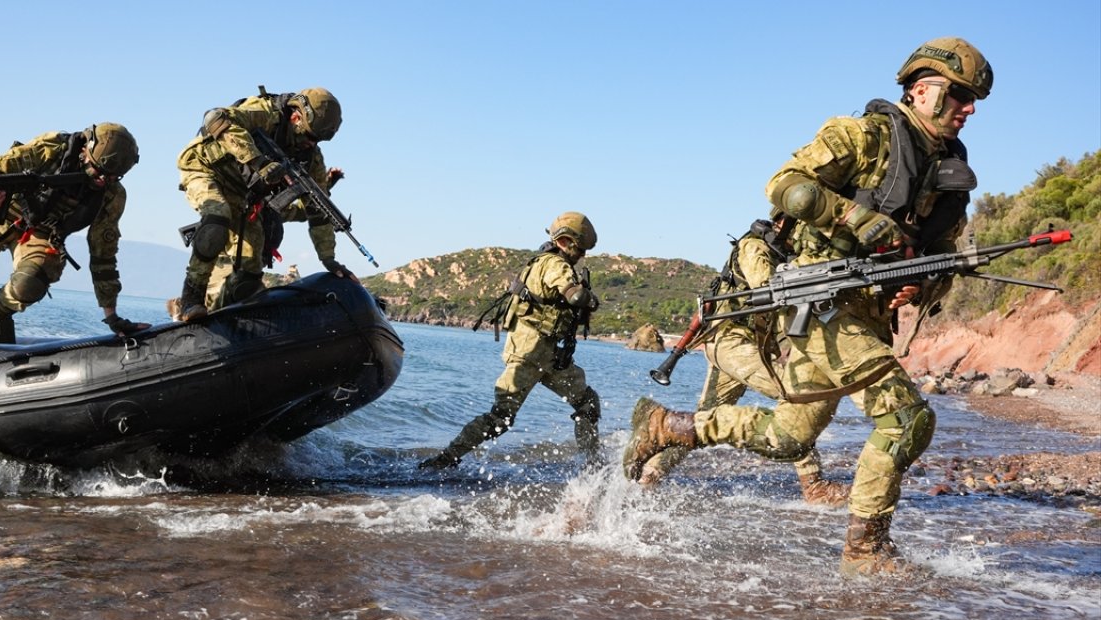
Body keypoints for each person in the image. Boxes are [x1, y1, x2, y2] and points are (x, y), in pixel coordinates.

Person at [623, 37, 990, 577]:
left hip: (865, 318)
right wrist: (858, 220)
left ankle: (666, 426)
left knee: (786, 437)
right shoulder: (861, 137)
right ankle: (864, 552)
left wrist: (921, 286)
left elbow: (939, 258)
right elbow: (786, 187)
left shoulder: (950, 177)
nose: (969, 108)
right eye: (958, 94)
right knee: (906, 418)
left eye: (974, 99)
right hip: (817, 302)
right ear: (919, 88)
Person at [636, 214, 850, 508]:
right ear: (782, 222)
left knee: (701, 421)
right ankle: (814, 486)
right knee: (799, 393)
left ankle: (648, 474)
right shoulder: (755, 248)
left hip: (742, 344)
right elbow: (770, 288)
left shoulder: (784, 253)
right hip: (731, 342)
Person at [0, 123, 149, 368]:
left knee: (34, 278)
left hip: (38, 231)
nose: (103, 180)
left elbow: (104, 253)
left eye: (112, 177)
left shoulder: (111, 195)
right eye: (98, 170)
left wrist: (111, 316)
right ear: (85, 151)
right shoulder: (51, 149)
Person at [420, 212, 602, 470]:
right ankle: (444, 460)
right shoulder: (554, 265)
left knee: (588, 403)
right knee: (501, 418)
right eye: (579, 248)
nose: (581, 255)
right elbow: (573, 296)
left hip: (548, 355)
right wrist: (588, 298)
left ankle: (593, 467)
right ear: (564, 241)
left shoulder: (544, 263)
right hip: (529, 353)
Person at [174, 87, 353, 322]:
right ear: (295, 117)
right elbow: (216, 118)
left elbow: (317, 210)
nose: (310, 144)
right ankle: (190, 299)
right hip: (206, 168)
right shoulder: (266, 112)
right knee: (218, 217)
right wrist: (259, 162)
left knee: (249, 274)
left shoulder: (311, 158)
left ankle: (218, 319)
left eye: (317, 140)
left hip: (242, 192)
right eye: (308, 136)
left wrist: (328, 259)